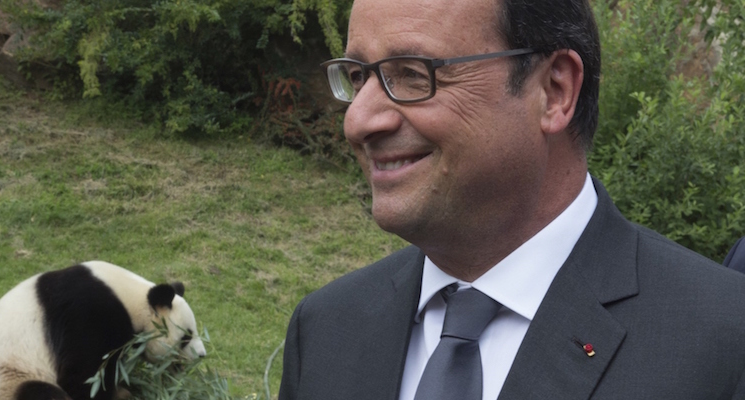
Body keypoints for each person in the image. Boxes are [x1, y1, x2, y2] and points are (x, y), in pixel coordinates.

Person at [278, 0, 745, 398]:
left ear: (554, 91)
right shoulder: (324, 331)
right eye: (359, 76)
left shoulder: (724, 339)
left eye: (413, 75)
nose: (358, 121)